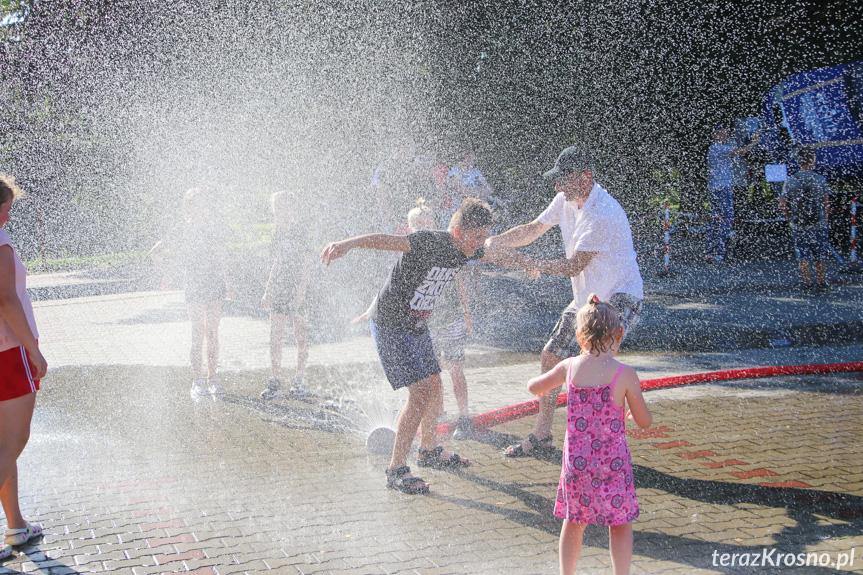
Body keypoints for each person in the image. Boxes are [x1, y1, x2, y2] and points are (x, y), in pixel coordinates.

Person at [321, 198, 527, 494]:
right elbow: (385, 240)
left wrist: (534, 265)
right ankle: (395, 470)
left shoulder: (467, 249)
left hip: (417, 326)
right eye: (477, 236)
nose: (480, 243)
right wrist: (347, 244)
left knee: (434, 383)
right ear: (458, 232)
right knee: (419, 393)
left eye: (483, 236)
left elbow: (495, 255)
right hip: (391, 325)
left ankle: (429, 451)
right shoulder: (430, 241)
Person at [485, 144, 644, 458]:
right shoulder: (565, 200)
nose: (557, 185)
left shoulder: (603, 213)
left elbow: (573, 265)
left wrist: (528, 263)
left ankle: (604, 443)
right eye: (556, 179)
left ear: (586, 177)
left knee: (597, 363)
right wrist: (495, 241)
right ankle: (542, 435)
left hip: (621, 297)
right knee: (550, 358)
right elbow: (534, 228)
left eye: (563, 179)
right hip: (589, 298)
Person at [527, 295, 651, 575]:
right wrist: (634, 413)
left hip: (578, 466)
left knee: (574, 520)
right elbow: (643, 421)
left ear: (579, 336)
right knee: (619, 522)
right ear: (619, 335)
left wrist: (539, 387)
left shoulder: (569, 367)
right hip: (613, 467)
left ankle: (566, 573)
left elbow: (534, 386)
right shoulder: (625, 374)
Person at [0, 175, 48, 561]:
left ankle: (15, 525)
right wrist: (33, 351)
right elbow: (5, 300)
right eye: (8, 208)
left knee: (1, 445)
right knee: (11, 443)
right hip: (8, 352)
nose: (9, 216)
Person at [154, 188, 233, 398]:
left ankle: (213, 378)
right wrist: (167, 274)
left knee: (213, 333)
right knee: (198, 334)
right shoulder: (181, 230)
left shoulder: (213, 229)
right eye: (195, 205)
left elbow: (221, 255)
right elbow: (154, 252)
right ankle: (197, 381)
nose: (200, 210)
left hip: (214, 282)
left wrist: (227, 281)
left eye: (203, 205)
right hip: (195, 283)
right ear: (187, 208)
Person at [260, 190, 319, 399]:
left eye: (286, 206)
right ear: (273, 209)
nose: (282, 211)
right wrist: (268, 289)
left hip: (299, 289)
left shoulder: (301, 230)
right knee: (274, 336)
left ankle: (299, 379)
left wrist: (301, 292)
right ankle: (275, 380)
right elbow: (276, 263)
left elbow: (307, 262)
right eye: (278, 207)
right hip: (279, 288)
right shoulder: (276, 232)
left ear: (293, 208)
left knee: (300, 335)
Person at [779, 145, 832, 293]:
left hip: (798, 223)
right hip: (818, 222)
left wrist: (790, 219)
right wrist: (826, 220)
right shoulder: (820, 179)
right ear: (810, 160)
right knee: (820, 253)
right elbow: (826, 203)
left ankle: (807, 285)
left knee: (802, 254)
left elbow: (782, 205)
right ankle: (821, 283)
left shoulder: (790, 180)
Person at [705, 125, 760, 262]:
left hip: (714, 188)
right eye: (723, 134)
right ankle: (718, 252)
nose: (726, 137)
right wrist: (754, 141)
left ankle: (710, 251)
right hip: (722, 188)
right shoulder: (719, 148)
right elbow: (741, 151)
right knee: (726, 219)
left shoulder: (714, 148)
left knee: (715, 219)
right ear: (716, 136)